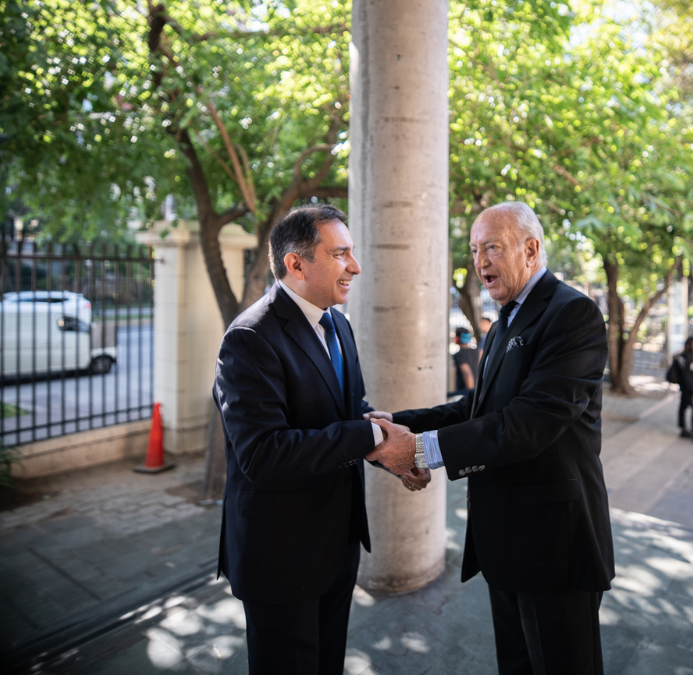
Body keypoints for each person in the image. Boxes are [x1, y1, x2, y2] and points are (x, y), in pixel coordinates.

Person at [367, 202, 613, 675]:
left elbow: (529, 423)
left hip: (554, 549)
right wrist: (398, 422)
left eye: (492, 248)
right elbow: (477, 409)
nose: (480, 262)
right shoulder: (504, 320)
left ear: (531, 249)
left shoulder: (573, 314)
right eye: (475, 250)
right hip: (507, 545)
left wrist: (419, 450)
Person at [212, 205, 422, 675]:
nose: (355, 266)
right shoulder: (249, 337)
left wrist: (388, 451)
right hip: (280, 558)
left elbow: (347, 416)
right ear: (296, 263)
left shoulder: (338, 324)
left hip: (336, 546)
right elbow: (263, 455)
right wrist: (370, 433)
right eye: (341, 253)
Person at [669, 335, 693, 444]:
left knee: (683, 407)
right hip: (688, 388)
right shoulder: (688, 356)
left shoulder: (688, 355)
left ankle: (683, 428)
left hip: (685, 387)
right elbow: (687, 376)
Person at [449, 326, 479, 398]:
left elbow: (467, 373)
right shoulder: (476, 351)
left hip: (465, 393)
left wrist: (470, 395)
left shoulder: (458, 355)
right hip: (477, 389)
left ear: (457, 338)